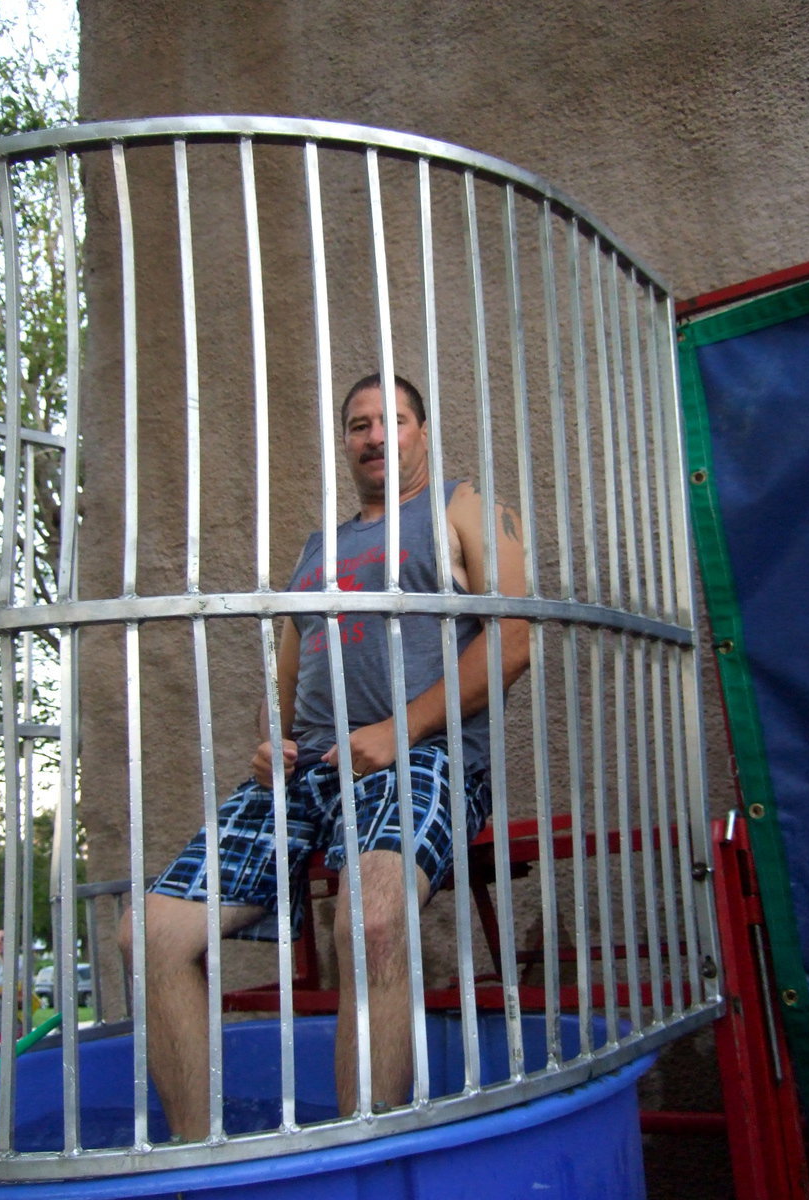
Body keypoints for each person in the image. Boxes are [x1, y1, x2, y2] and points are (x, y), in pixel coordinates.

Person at [121, 373, 530, 1141]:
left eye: (392, 420)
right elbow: (287, 679)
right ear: (345, 442)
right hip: (304, 776)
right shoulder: (318, 549)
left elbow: (513, 642)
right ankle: (200, 1162)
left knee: (372, 925)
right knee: (151, 936)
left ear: (421, 431)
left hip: (419, 758)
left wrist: (398, 730)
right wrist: (268, 741)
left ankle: (359, 1164)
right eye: (359, 425)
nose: (375, 437)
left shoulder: (462, 505)